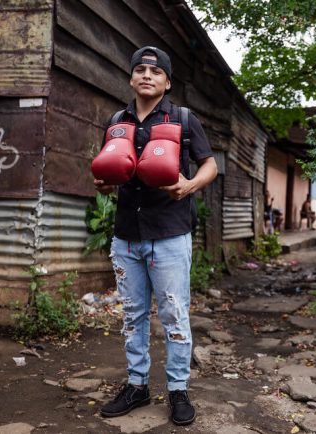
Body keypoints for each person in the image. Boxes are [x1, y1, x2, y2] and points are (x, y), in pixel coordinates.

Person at [93, 46, 217, 426]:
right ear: (132, 78)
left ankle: (178, 389)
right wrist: (104, 185)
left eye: (155, 71)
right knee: (132, 316)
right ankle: (137, 385)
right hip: (126, 235)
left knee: (174, 315)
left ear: (166, 82)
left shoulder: (182, 119)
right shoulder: (117, 120)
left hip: (169, 234)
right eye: (140, 70)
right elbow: (111, 170)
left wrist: (191, 185)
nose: (147, 75)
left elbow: (209, 163)